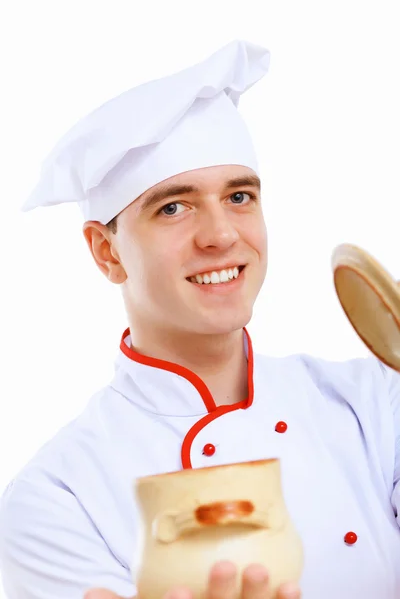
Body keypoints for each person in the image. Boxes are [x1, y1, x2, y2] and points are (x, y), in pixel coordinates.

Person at [1, 38, 400, 599]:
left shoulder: (375, 404)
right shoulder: (57, 498)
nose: (221, 234)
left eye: (240, 197)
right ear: (106, 252)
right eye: (173, 207)